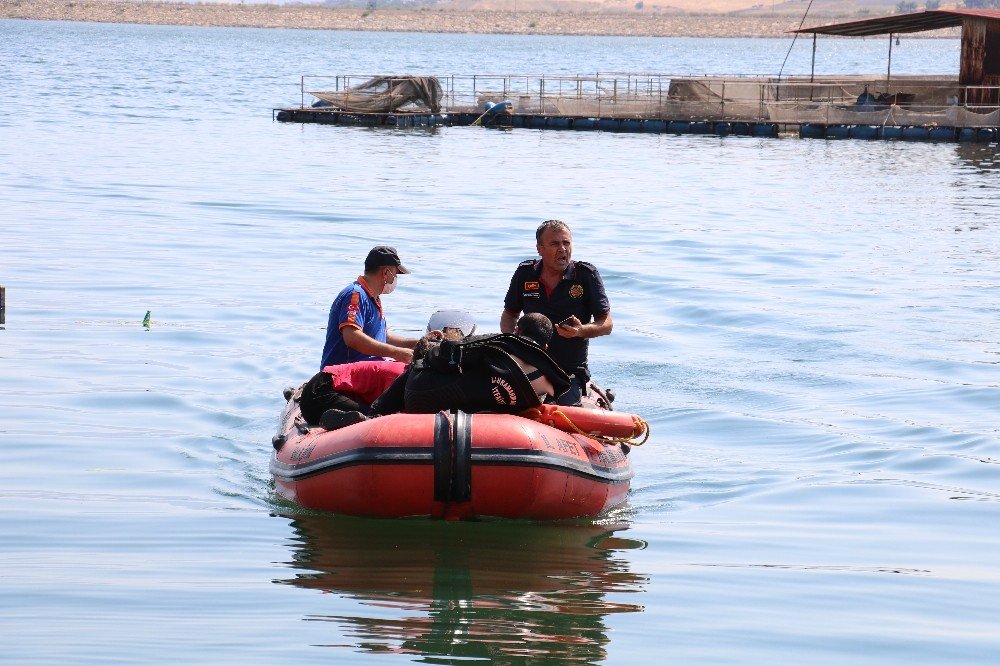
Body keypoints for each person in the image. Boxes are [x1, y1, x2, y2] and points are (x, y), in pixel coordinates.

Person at [500, 220, 612, 406]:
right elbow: (510, 314)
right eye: (554, 244)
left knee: (563, 411)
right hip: (530, 364)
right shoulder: (525, 273)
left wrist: (580, 331)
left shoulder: (586, 275)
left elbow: (606, 324)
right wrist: (512, 340)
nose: (562, 249)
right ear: (540, 249)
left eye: (566, 243)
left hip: (568, 371)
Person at [320, 246, 418, 368]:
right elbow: (352, 337)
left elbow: (385, 338)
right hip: (344, 371)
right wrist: (395, 353)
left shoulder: (374, 298)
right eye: (396, 274)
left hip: (369, 368)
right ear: (386, 273)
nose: (396, 278)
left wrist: (419, 343)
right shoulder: (355, 295)